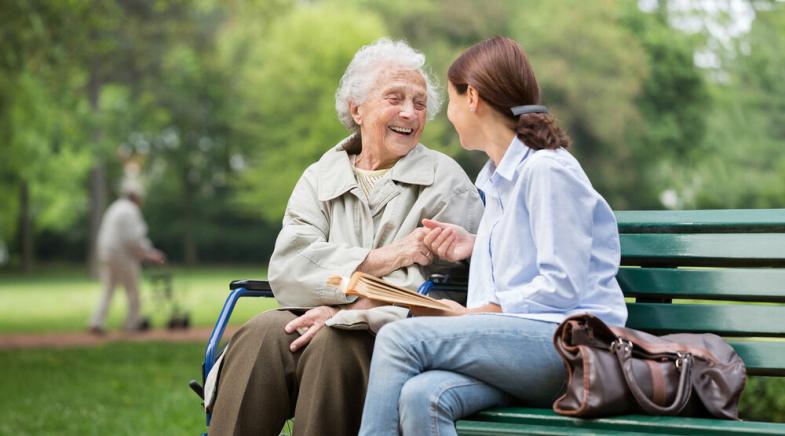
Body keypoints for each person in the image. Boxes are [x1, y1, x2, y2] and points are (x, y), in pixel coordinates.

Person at [208, 38, 484, 436]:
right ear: (357, 108)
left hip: (391, 335)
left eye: (420, 103)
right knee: (259, 336)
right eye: (395, 98)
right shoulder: (320, 176)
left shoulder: (445, 181)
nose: (409, 113)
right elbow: (288, 267)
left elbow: (449, 288)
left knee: (332, 345)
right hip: (313, 313)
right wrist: (387, 258)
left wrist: (347, 312)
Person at [358, 36, 629, 436]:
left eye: (449, 101)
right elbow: (524, 261)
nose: (446, 115)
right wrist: (475, 244)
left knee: (400, 339)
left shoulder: (547, 171)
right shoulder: (496, 180)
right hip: (524, 350)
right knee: (422, 396)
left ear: (473, 97)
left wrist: (479, 314)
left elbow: (563, 285)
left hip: (570, 350)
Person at [88, 178, 166, 334]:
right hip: (121, 255)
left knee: (108, 289)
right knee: (133, 290)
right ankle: (132, 323)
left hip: (106, 253)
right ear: (136, 197)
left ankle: (97, 321)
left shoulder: (115, 207)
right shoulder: (130, 210)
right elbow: (134, 239)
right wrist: (150, 254)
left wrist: (145, 253)